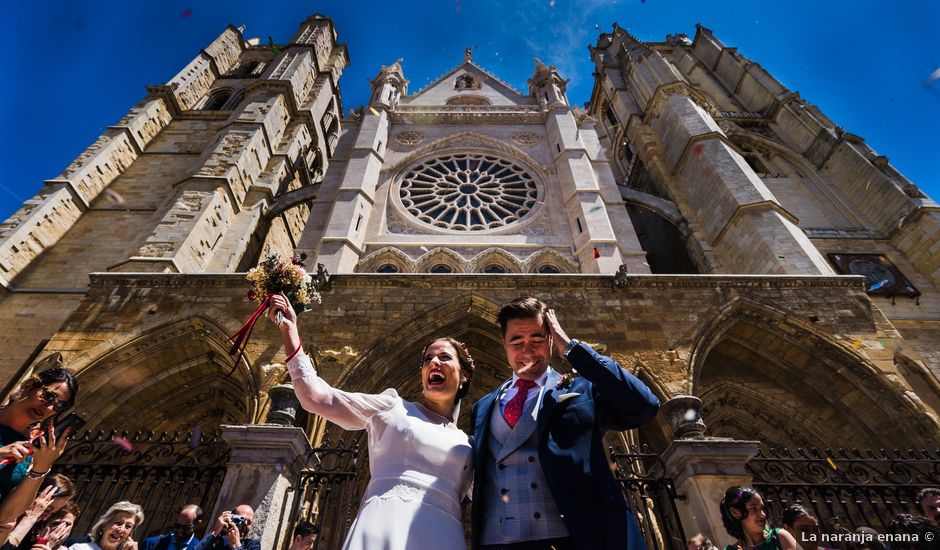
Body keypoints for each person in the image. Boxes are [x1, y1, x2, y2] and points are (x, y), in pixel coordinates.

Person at [269, 292, 474, 550]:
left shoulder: (468, 444)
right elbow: (316, 397)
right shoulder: (392, 407)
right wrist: (290, 331)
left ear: (464, 374)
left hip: (444, 537)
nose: (433, 361)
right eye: (427, 360)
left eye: (444, 357)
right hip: (382, 527)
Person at [469, 296, 660, 550]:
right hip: (499, 541)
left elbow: (643, 406)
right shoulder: (482, 407)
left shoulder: (582, 389)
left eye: (537, 338)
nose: (527, 349)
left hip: (576, 538)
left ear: (550, 339)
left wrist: (571, 348)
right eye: (517, 340)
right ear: (503, 342)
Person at [0, 369, 76, 537]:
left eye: (60, 405)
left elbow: (9, 516)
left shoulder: (30, 449)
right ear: (28, 385)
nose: (49, 407)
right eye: (49, 396)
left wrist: (40, 469)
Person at [8, 474, 76, 549]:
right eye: (47, 509)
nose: (45, 517)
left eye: (53, 512)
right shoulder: (7, 515)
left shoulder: (34, 529)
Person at [719, 486, 797, 550]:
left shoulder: (779, 538)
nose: (763, 515)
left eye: (762, 508)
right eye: (753, 508)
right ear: (735, 513)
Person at [65, 501, 144, 550]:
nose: (122, 529)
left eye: (128, 526)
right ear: (104, 525)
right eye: (118, 523)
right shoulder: (80, 548)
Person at [193, 506, 259, 550]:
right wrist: (215, 532)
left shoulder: (252, 545)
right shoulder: (216, 541)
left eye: (249, 522)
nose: (245, 524)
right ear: (230, 519)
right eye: (241, 519)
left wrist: (237, 546)